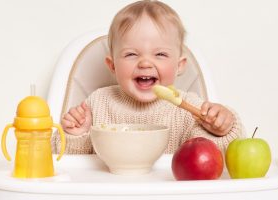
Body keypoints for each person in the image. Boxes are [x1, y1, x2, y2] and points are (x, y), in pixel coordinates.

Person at [52, 0, 245, 154]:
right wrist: (75, 135)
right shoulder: (97, 104)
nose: (145, 63)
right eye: (131, 54)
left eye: (160, 54)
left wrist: (222, 129)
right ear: (112, 66)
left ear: (179, 66)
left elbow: (213, 156)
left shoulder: (190, 110)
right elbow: (63, 161)